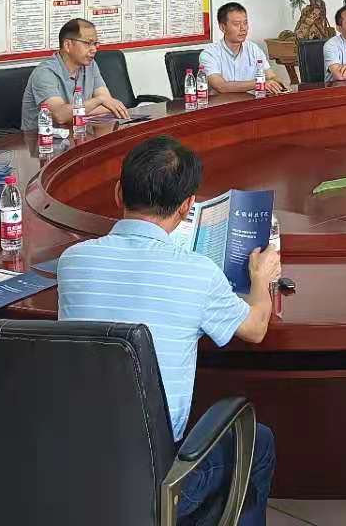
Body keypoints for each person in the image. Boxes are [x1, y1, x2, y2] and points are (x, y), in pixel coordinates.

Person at [57, 135, 279, 525]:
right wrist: (261, 280)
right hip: (158, 480)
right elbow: (256, 329)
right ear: (187, 206)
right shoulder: (197, 273)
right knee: (257, 442)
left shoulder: (72, 262)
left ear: (118, 192)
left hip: (76, 461)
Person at [20, 18, 130, 130]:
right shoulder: (45, 73)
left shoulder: (90, 65)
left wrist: (76, 112)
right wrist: (98, 101)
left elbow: (108, 106)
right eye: (88, 43)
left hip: (77, 132)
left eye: (95, 44)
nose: (94, 49)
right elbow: (60, 116)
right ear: (67, 45)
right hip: (41, 137)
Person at [199, 3, 285, 96]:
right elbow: (221, 86)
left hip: (251, 102)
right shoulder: (209, 54)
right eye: (236, 24)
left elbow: (271, 76)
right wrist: (259, 83)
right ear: (223, 27)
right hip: (223, 104)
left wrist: (278, 84)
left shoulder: (253, 49)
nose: (243, 28)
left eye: (245, 23)